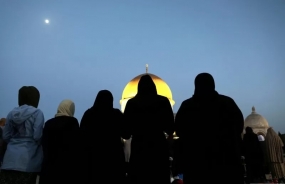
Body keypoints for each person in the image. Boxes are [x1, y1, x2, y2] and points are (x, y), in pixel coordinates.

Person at [174, 73, 244, 184]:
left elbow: (179, 130)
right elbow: (239, 125)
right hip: (226, 162)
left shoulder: (187, 106)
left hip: (196, 163)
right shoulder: (227, 103)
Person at [123, 74, 175, 184]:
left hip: (139, 151)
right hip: (158, 151)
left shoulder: (132, 103)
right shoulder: (163, 102)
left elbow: (126, 133)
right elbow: (170, 128)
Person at [80, 90, 126, 184]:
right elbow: (126, 133)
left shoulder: (89, 114)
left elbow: (82, 137)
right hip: (113, 161)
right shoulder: (116, 114)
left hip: (93, 161)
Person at [0, 86, 44, 184]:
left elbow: (6, 136)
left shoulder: (11, 113)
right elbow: (37, 136)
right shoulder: (37, 113)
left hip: (9, 160)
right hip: (28, 161)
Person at [39, 100, 80, 184]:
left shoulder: (48, 123)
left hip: (48, 167)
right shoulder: (73, 122)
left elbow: (43, 144)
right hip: (66, 168)